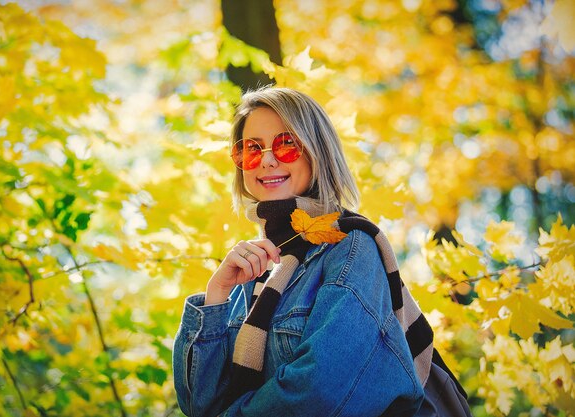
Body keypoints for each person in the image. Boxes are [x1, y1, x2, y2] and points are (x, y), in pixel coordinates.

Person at [173, 87, 471, 417]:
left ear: (318, 152)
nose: (268, 160)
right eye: (251, 149)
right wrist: (217, 294)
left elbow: (318, 397)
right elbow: (200, 405)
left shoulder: (351, 249)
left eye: (286, 144)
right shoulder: (258, 269)